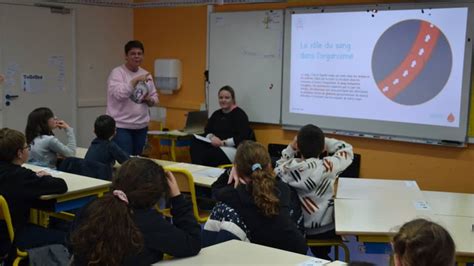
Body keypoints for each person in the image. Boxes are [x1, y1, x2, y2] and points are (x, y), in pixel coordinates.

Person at [69, 157, 201, 265]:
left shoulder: (91, 206)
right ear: (155, 194)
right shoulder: (149, 222)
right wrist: (178, 198)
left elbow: (72, 245)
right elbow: (192, 243)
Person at [210, 141, 308, 254]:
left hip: (258, 256)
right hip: (294, 253)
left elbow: (215, 189)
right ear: (269, 165)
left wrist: (230, 171)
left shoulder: (233, 194)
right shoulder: (283, 189)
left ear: (238, 170)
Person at [274, 124, 353, 260]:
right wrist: (324, 141)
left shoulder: (287, 169)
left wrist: (291, 148)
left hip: (297, 230)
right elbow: (347, 150)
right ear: (323, 148)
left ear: (298, 146)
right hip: (326, 230)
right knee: (322, 251)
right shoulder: (328, 166)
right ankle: (322, 257)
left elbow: (277, 166)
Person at [0, 128, 68, 262]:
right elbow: (61, 185)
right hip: (12, 239)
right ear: (19, 153)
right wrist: (43, 178)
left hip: (3, 234)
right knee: (68, 237)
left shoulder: (19, 176)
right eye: (27, 146)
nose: (28, 149)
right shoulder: (21, 177)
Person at [106, 40, 158, 156]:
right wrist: (135, 81)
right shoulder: (117, 73)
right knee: (126, 161)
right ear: (126, 56)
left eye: (139, 54)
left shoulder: (146, 74)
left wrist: (150, 100)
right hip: (121, 127)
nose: (136, 56)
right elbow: (119, 95)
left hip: (141, 126)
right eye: (133, 53)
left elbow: (155, 97)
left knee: (137, 161)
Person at [190, 85, 252, 167]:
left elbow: (243, 137)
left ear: (233, 99)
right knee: (195, 143)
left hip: (233, 149)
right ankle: (198, 171)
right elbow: (207, 130)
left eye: (227, 98)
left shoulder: (240, 115)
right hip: (215, 144)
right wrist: (212, 137)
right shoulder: (216, 114)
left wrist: (223, 143)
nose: (223, 100)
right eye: (221, 97)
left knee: (210, 154)